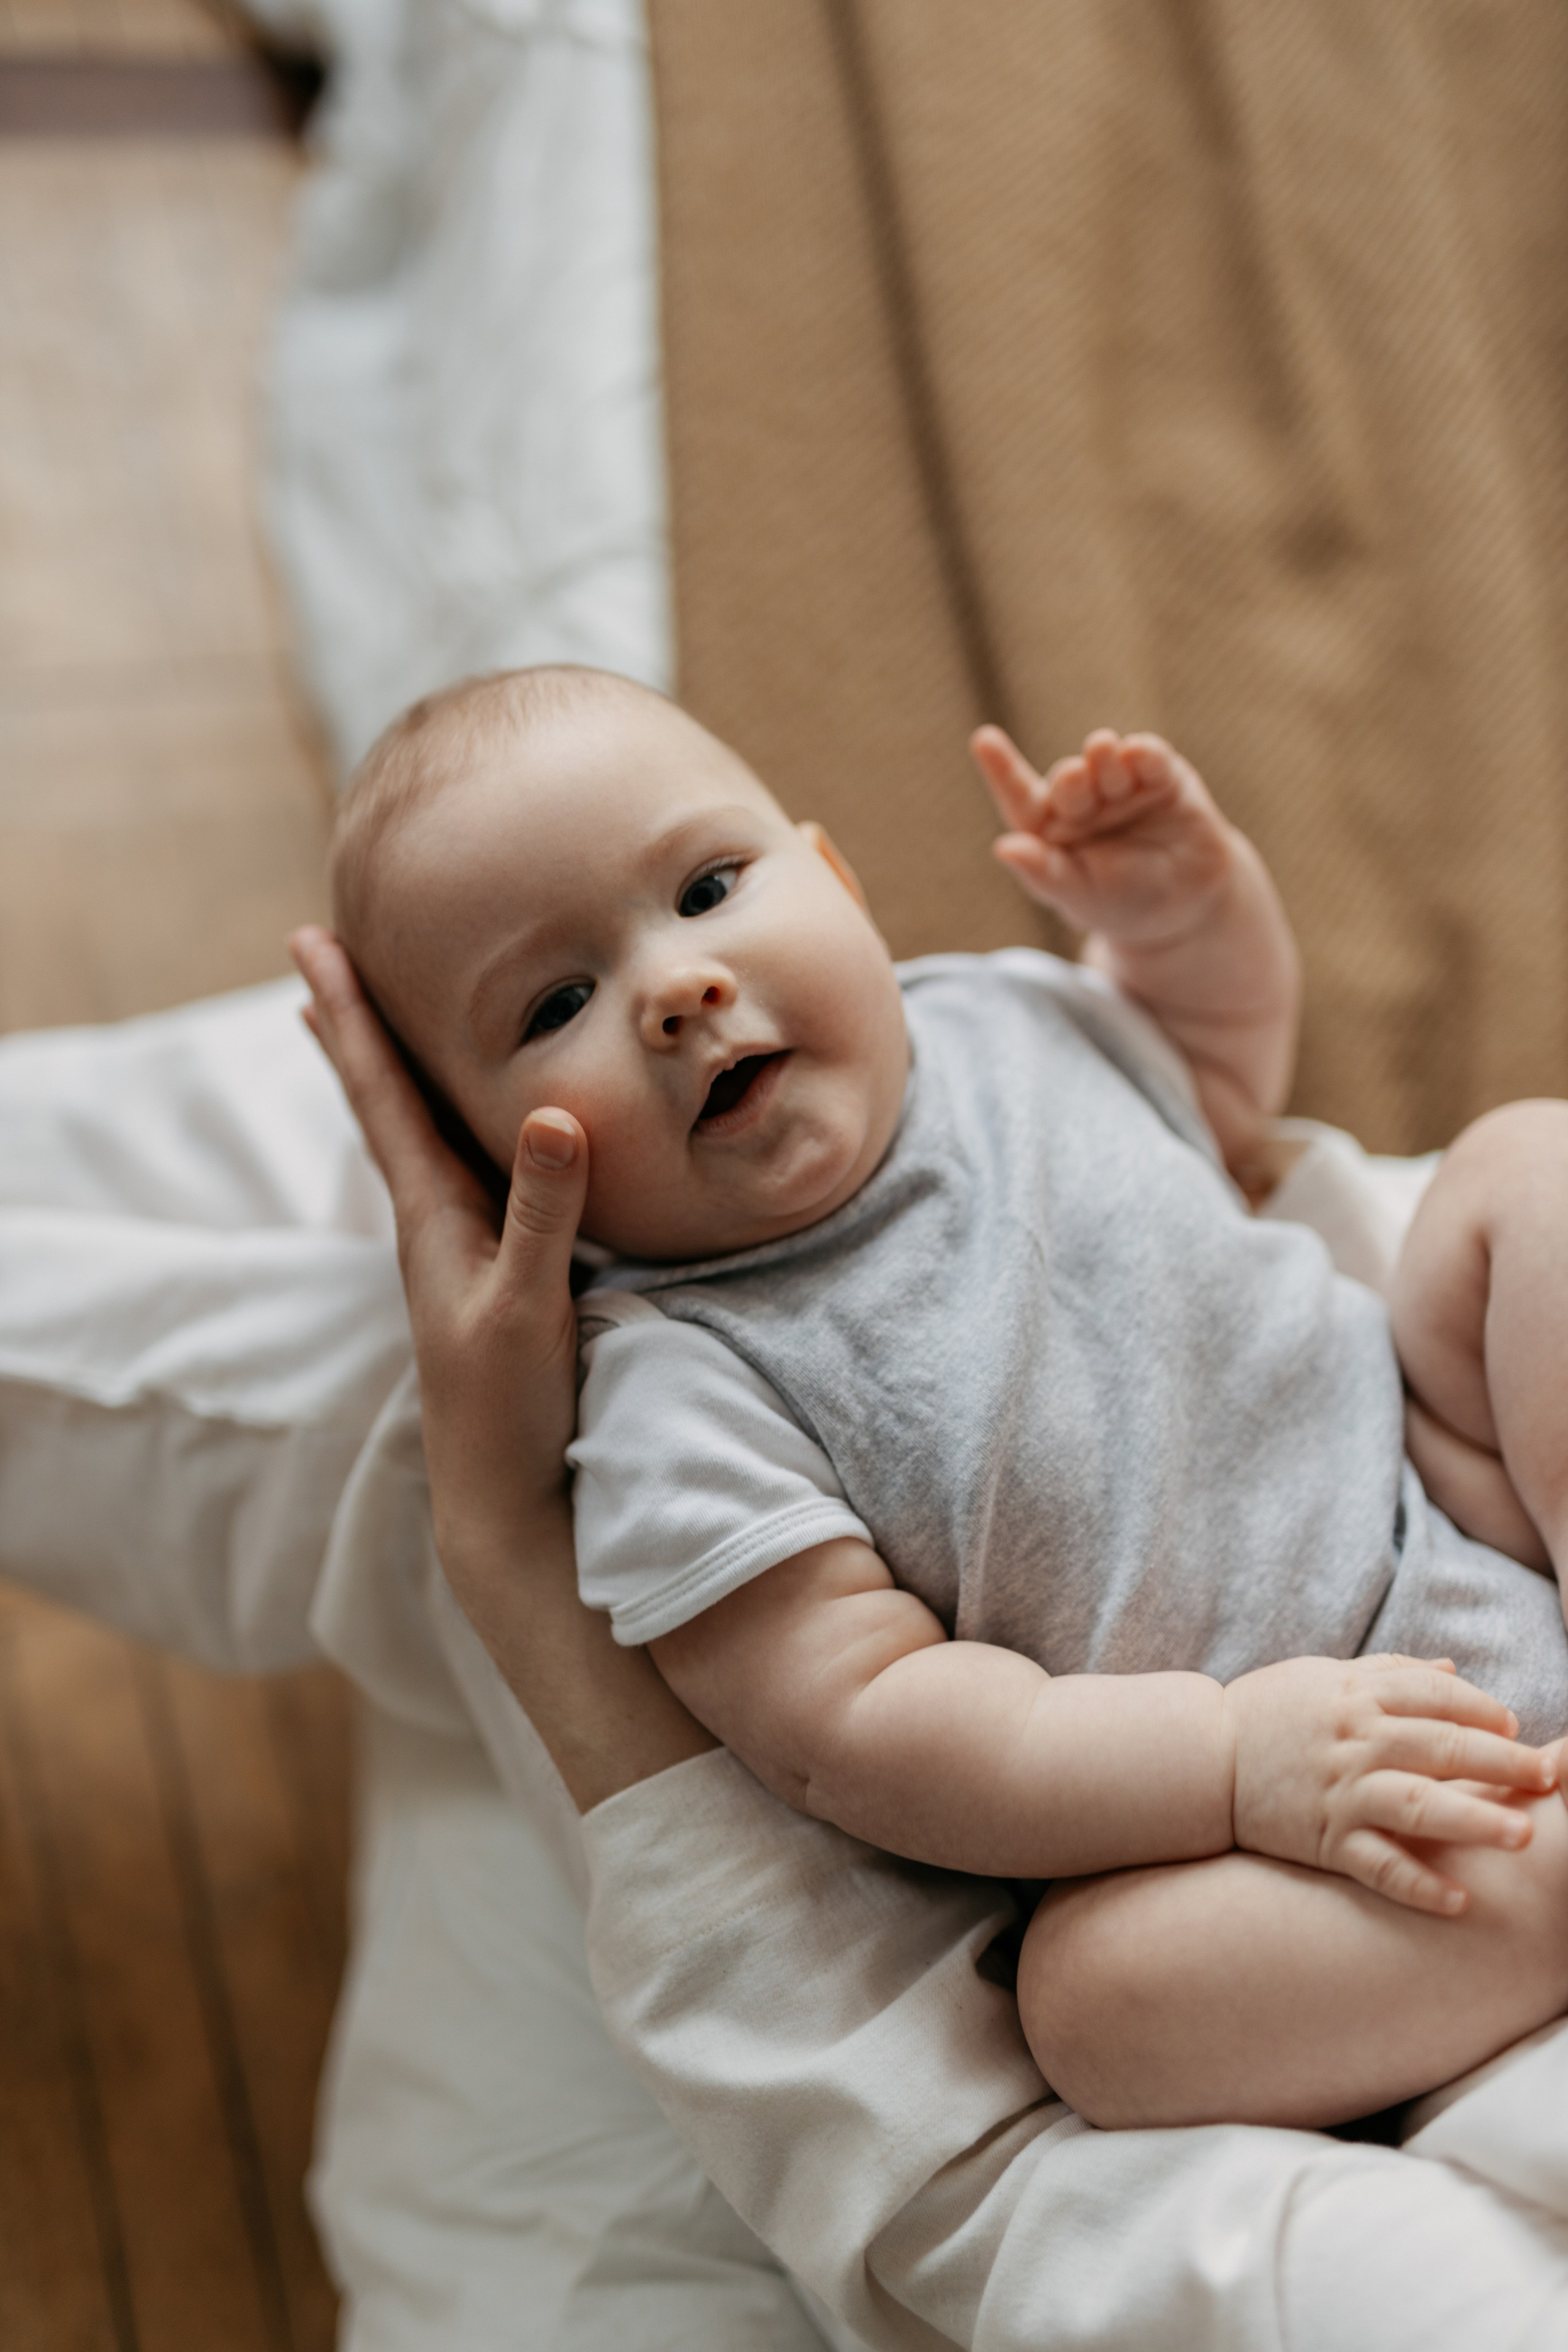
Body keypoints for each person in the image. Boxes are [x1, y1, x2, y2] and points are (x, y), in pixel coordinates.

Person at [314, 658, 1568, 2136]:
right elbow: (858, 1729)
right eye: (556, 1003)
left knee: (1524, 1166)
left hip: (1453, 1494)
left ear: (837, 883)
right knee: (1097, 2011)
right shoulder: (673, 1392)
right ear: (484, 1162)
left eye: (707, 888)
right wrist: (1232, 1763)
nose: (672, 990)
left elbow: (1217, 1086)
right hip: (1250, 1833)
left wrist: (1180, 916)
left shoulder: (1002, 1016)